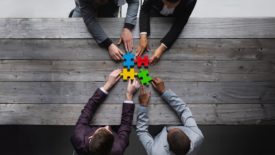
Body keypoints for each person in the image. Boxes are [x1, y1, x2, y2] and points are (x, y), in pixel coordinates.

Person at [71, 69, 140, 155]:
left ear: (91, 137)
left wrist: (108, 85)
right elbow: (125, 127)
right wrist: (129, 95)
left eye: (103, 129)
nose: (107, 126)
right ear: (112, 146)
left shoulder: (78, 137)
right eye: (110, 131)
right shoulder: (118, 149)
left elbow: (88, 110)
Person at [136, 77, 204, 155]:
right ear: (190, 140)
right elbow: (184, 110)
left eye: (169, 132)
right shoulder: (197, 137)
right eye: (180, 129)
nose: (170, 128)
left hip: (155, 133)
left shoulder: (156, 152)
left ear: (168, 147)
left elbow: (142, 131)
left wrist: (143, 105)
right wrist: (164, 92)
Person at [70, 0, 139, 61]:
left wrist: (127, 27)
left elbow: (133, 1)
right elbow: (89, 20)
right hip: (83, 11)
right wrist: (108, 44)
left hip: (110, 10)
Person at [136, 0, 197, 64]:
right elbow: (145, 9)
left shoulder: (191, 1)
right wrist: (143, 34)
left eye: (172, 4)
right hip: (154, 12)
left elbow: (181, 22)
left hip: (174, 17)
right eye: (165, 2)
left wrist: (162, 48)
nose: (168, 6)